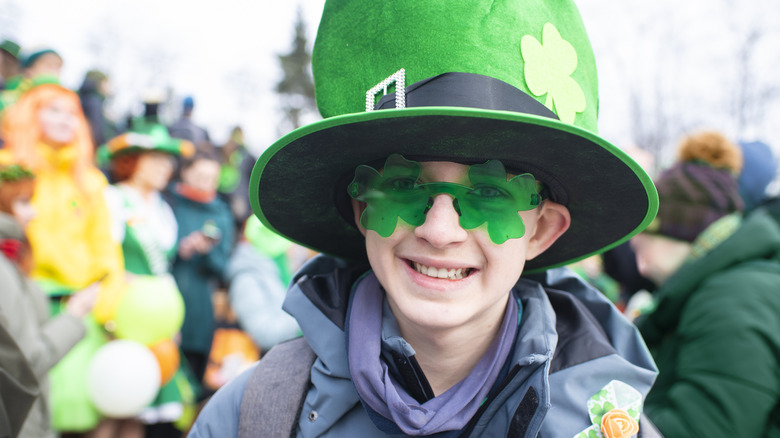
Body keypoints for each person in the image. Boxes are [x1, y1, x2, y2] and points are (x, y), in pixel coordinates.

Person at [189, 1, 663, 437]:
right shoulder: (254, 416)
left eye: (488, 194)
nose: (439, 231)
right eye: (402, 187)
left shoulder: (608, 424)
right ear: (362, 210)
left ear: (541, 230)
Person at [632, 131, 780, 437]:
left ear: (680, 232)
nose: (640, 267)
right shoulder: (729, 285)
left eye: (643, 249)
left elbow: (705, 429)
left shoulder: (731, 300)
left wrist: (613, 411)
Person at [0, 80, 126, 434]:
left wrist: (106, 305)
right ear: (30, 113)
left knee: (86, 417)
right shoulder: (9, 171)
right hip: (23, 308)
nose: (65, 119)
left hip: (81, 310)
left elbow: (105, 248)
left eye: (72, 113)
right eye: (53, 109)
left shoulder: (90, 182)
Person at [102, 120, 195, 438]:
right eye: (155, 160)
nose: (165, 168)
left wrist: (172, 323)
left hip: (157, 320)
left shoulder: (163, 209)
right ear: (131, 161)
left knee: (142, 409)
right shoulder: (111, 199)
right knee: (112, 403)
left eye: (168, 162)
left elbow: (163, 269)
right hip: (119, 315)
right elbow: (101, 257)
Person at [0, 164, 100, 438]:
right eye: (21, 202)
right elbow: (27, 362)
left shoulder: (12, 263)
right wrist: (74, 315)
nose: (33, 213)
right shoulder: (3, 271)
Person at [167, 150, 234, 388]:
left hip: (198, 311)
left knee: (191, 385)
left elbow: (223, 269)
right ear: (185, 172)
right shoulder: (167, 202)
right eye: (200, 175)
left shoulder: (221, 213)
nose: (206, 182)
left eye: (212, 177)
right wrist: (179, 250)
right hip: (163, 304)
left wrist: (206, 252)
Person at [226, 215, 301, 353]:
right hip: (268, 363)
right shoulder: (247, 279)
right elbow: (264, 334)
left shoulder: (277, 272)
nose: (295, 250)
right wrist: (306, 319)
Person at [78, 69, 115, 149]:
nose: (109, 87)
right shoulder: (94, 101)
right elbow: (97, 129)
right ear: (100, 83)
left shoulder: (86, 98)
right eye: (107, 83)